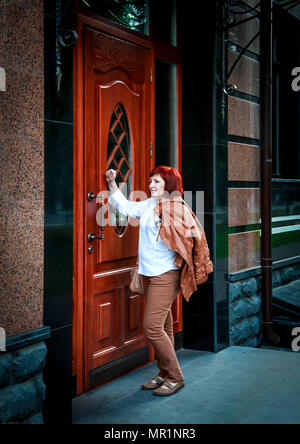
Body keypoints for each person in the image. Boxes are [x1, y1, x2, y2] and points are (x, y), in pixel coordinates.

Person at [105, 166, 213, 397]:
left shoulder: (176, 208)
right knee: (163, 326)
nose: (151, 185)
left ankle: (175, 377)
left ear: (169, 185)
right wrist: (112, 183)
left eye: (157, 182)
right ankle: (164, 373)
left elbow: (194, 238)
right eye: (150, 181)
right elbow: (125, 207)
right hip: (149, 273)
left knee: (151, 327)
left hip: (166, 274)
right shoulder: (148, 205)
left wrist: (177, 261)